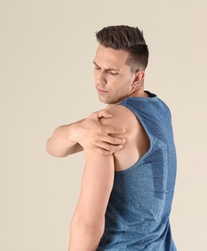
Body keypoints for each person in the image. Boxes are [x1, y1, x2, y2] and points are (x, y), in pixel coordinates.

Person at [46, 25, 177, 250]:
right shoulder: (160, 109)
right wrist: (74, 131)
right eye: (97, 68)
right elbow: (54, 146)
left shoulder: (110, 124)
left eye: (112, 72)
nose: (100, 80)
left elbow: (87, 222)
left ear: (138, 77)